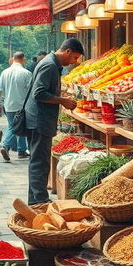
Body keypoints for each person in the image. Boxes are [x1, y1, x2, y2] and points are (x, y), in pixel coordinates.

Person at [24, 38, 83, 204]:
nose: (74, 62)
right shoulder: (49, 65)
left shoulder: (50, 63)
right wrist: (62, 100)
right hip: (39, 120)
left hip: (39, 120)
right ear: (68, 51)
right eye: (74, 58)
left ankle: (34, 201)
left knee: (38, 161)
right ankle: (41, 201)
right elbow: (39, 93)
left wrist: (60, 98)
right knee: (39, 162)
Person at [0, 51, 32, 162]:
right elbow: (31, 92)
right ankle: (6, 146)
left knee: (18, 126)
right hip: (21, 106)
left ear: (13, 59)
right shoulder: (26, 73)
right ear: (23, 59)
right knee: (15, 127)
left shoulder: (5, 72)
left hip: (8, 105)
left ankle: (21, 150)